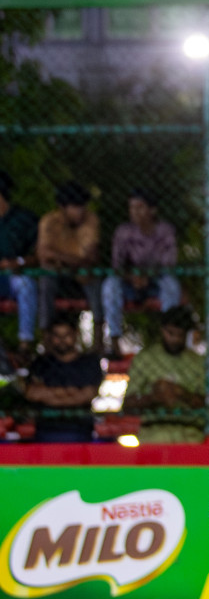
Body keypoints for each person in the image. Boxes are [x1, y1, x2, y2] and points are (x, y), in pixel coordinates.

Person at [101, 189, 182, 359]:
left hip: (156, 282)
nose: (135, 212)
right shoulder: (123, 231)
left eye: (140, 207)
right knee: (110, 285)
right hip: (130, 282)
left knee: (171, 285)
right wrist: (132, 277)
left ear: (152, 210)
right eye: (131, 207)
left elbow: (169, 263)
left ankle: (167, 335)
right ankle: (114, 339)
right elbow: (117, 264)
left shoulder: (165, 231)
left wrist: (148, 277)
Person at [123, 305, 204, 443]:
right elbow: (128, 405)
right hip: (153, 433)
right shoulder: (145, 359)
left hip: (190, 433)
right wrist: (154, 397)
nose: (175, 340)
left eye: (181, 335)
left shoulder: (199, 362)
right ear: (162, 330)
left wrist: (181, 393)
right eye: (171, 333)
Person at [36, 181, 101, 349]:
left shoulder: (91, 220)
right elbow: (43, 256)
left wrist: (59, 257)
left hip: (81, 275)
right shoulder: (49, 222)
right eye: (75, 207)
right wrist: (74, 260)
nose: (80, 211)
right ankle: (46, 337)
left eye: (82, 206)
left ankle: (98, 337)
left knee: (93, 280)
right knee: (46, 278)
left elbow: (90, 258)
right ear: (63, 207)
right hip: (57, 274)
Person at [24, 313, 99, 443]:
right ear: (50, 337)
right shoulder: (41, 363)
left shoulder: (89, 362)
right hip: (46, 430)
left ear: (75, 334)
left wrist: (50, 393)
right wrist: (71, 392)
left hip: (80, 430)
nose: (62, 340)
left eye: (66, 335)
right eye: (57, 336)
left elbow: (88, 394)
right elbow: (32, 393)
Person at [0, 171, 40, 361]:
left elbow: (41, 254)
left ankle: (25, 344)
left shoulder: (24, 219)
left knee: (26, 284)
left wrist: (19, 262)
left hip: (17, 275)